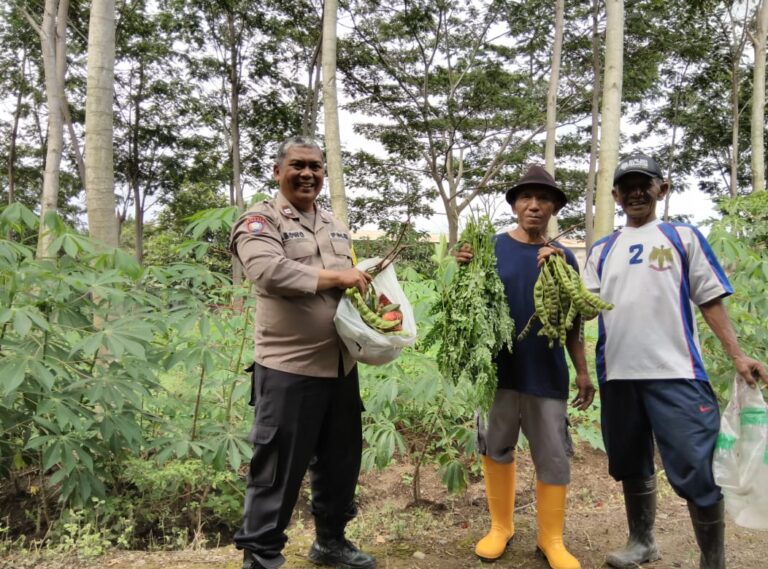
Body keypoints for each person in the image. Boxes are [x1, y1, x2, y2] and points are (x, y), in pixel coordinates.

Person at [582, 153, 768, 569]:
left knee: (697, 470)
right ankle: (642, 541)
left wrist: (737, 355)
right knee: (630, 461)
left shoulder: (682, 237)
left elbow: (710, 299)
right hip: (618, 375)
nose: (634, 192)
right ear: (614, 195)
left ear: (661, 189)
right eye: (625, 185)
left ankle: (712, 560)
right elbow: (586, 309)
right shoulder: (601, 250)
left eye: (643, 184)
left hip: (677, 374)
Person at [229, 136, 376, 569]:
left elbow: (351, 280)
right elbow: (268, 271)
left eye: (315, 166)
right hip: (288, 368)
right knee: (278, 468)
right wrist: (336, 277)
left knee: (340, 461)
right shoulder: (260, 220)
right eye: (297, 165)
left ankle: (330, 541)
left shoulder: (333, 224)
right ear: (278, 172)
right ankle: (261, 556)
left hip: (339, 366)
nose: (307, 173)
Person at [456, 165, 595, 569]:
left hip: (546, 374)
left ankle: (551, 539)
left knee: (553, 456)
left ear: (553, 207)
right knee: (496, 450)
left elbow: (572, 322)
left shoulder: (562, 256)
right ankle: (501, 528)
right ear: (515, 205)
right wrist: (460, 263)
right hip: (498, 373)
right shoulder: (489, 249)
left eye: (543, 199)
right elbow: (467, 301)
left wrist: (582, 371)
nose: (534, 206)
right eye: (525, 198)